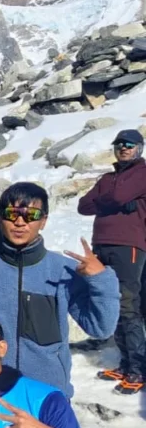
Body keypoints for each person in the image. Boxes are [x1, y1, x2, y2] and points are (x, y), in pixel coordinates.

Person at [0, 182, 119, 396]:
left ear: (44, 221)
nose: (20, 222)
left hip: (47, 394)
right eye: (11, 214)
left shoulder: (64, 270)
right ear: (0, 219)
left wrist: (102, 280)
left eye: (30, 215)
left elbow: (101, 328)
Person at [77, 129, 146, 394]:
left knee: (127, 304)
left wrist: (108, 200)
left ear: (139, 148)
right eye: (119, 144)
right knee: (111, 302)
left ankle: (138, 369)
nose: (123, 147)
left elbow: (115, 197)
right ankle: (125, 363)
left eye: (129, 144)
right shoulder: (107, 178)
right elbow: (83, 206)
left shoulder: (142, 173)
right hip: (102, 245)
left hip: (128, 245)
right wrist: (114, 201)